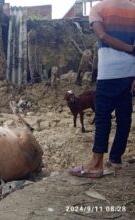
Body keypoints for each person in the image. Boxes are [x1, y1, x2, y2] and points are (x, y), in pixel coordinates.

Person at [70, 0, 135, 178]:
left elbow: (103, 36)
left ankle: (96, 163)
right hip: (130, 72)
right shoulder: (133, 9)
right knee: (124, 116)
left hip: (109, 72)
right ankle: (115, 159)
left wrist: (130, 48)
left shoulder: (98, 8)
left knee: (102, 116)